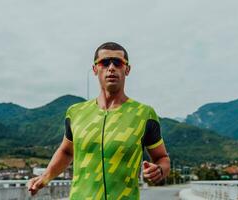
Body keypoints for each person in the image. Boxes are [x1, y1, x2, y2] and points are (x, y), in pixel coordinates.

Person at [27, 42, 170, 199]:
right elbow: (67, 151)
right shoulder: (75, 113)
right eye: (104, 62)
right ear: (95, 69)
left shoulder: (144, 114)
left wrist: (160, 170)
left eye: (118, 62)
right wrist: (45, 177)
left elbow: (162, 158)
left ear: (127, 69)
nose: (111, 67)